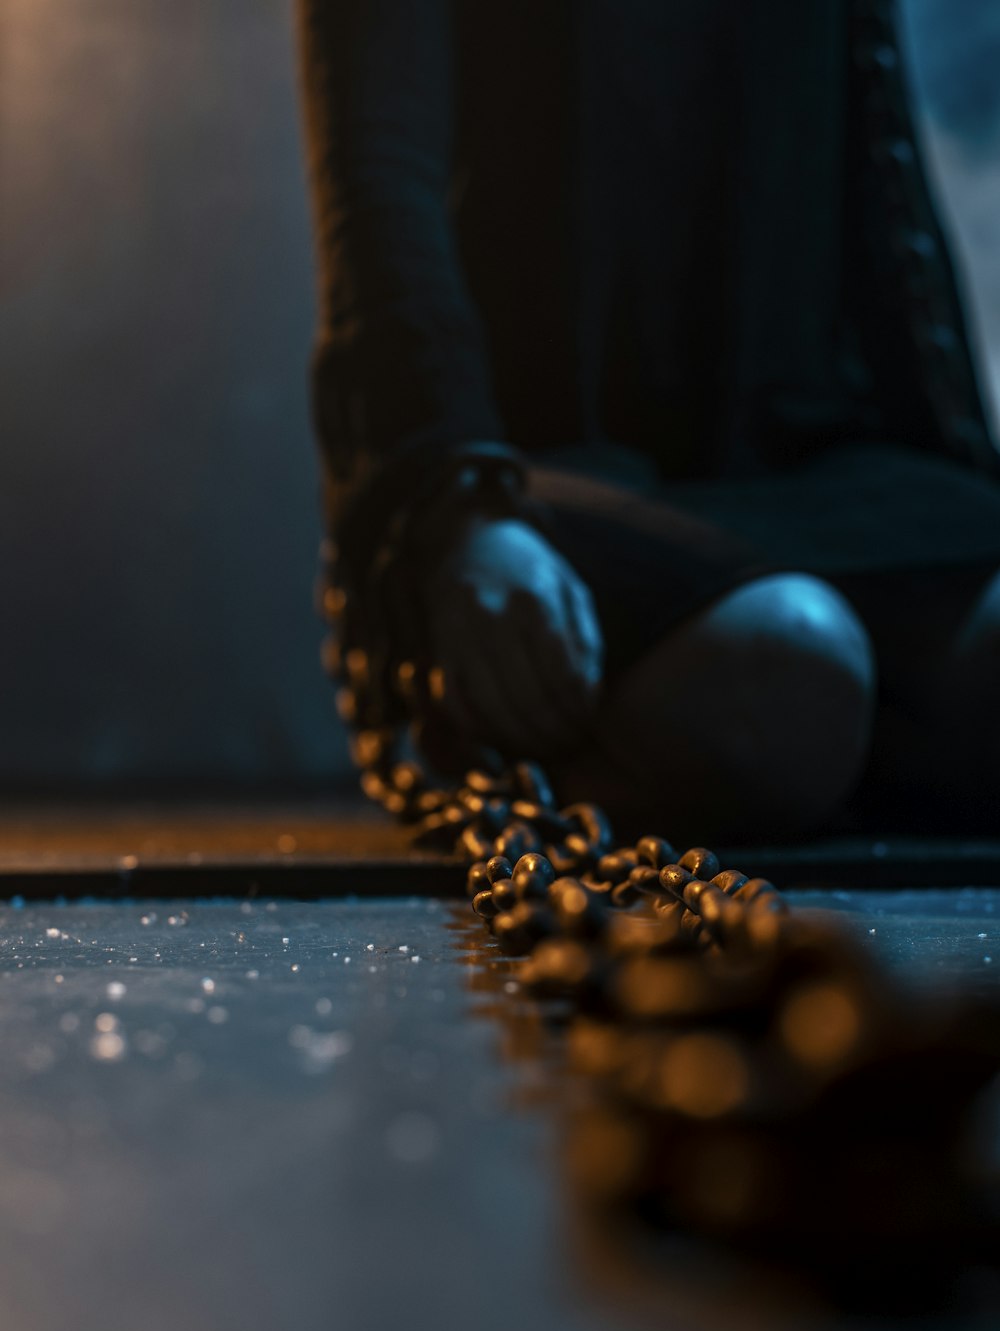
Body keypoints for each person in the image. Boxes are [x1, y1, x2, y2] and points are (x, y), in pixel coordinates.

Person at [295, 0, 1000, 842]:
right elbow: (378, 183)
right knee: (784, 670)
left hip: (813, 470)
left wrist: (961, 491)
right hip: (548, 479)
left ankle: (828, 755)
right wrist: (450, 503)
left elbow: (884, 194)